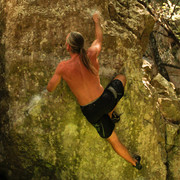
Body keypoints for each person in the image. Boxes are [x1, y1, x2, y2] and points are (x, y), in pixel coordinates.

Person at [47, 12, 142, 170]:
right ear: (81, 45)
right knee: (121, 78)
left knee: (113, 140)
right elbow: (99, 39)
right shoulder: (91, 54)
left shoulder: (62, 67)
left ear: (68, 46)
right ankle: (111, 113)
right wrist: (96, 21)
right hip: (105, 101)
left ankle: (134, 163)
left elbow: (50, 88)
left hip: (91, 112)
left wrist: (58, 78)